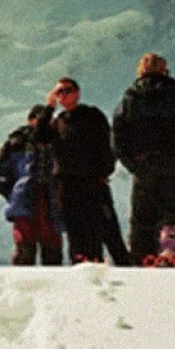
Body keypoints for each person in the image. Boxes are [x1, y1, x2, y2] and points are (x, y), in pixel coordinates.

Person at [112, 54, 175, 266]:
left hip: (144, 165)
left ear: (140, 72)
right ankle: (172, 252)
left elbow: (118, 139)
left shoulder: (129, 99)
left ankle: (141, 257)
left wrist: (134, 165)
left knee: (143, 216)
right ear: (164, 71)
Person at [45, 77, 124, 264]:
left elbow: (107, 145)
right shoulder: (57, 122)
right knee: (76, 233)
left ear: (77, 93)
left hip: (92, 182)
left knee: (106, 229)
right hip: (66, 185)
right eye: (59, 92)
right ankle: (82, 268)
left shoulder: (92, 116)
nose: (63, 95)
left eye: (67, 90)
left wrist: (104, 173)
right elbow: (39, 137)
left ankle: (123, 268)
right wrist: (49, 108)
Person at [0, 106, 63, 266]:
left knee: (52, 245)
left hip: (51, 199)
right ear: (31, 120)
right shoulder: (17, 142)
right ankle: (22, 287)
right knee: (25, 246)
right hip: (26, 200)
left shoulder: (57, 140)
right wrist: (14, 193)